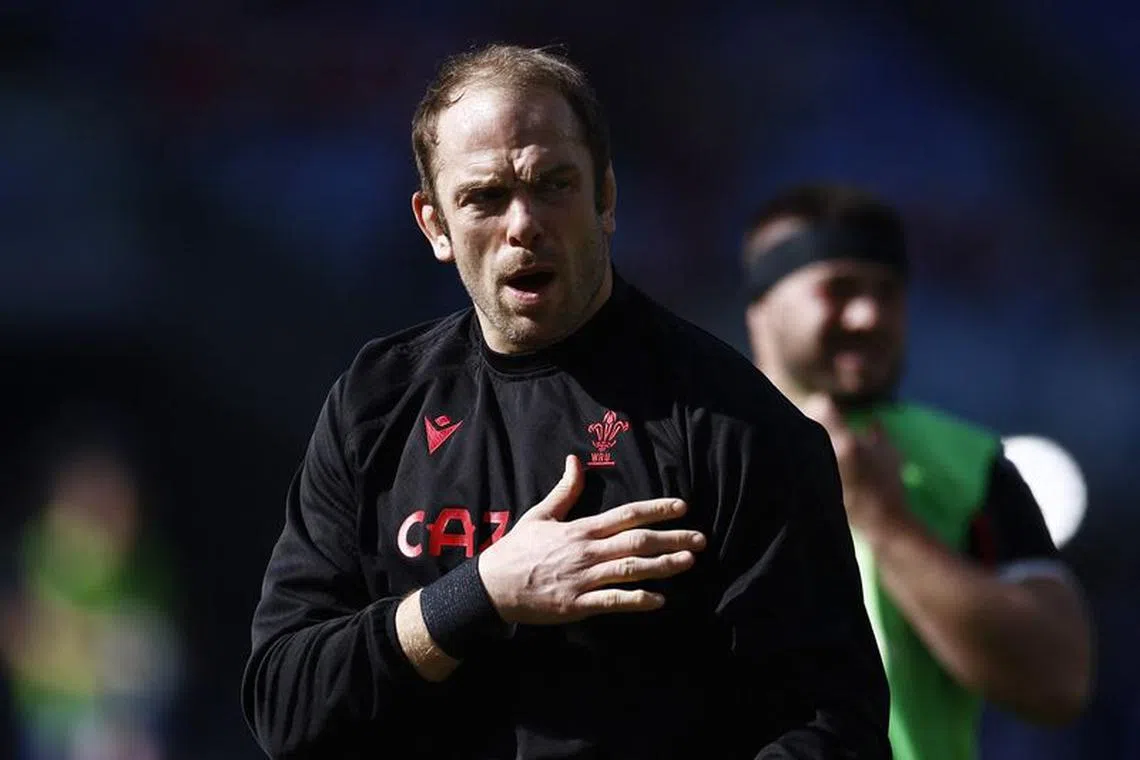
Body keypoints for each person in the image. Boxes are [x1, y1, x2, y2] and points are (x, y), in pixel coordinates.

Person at [242, 45, 890, 759]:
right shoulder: (376, 402)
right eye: (485, 197)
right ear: (434, 225)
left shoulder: (734, 424)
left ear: (605, 198)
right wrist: (481, 593)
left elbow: (832, 729)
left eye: (553, 185)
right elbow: (285, 704)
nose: (523, 224)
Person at [739, 183, 1094, 760]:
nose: (869, 314)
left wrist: (884, 520)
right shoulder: (694, 449)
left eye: (888, 292)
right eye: (839, 289)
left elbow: (1057, 681)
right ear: (762, 310)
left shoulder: (971, 464)